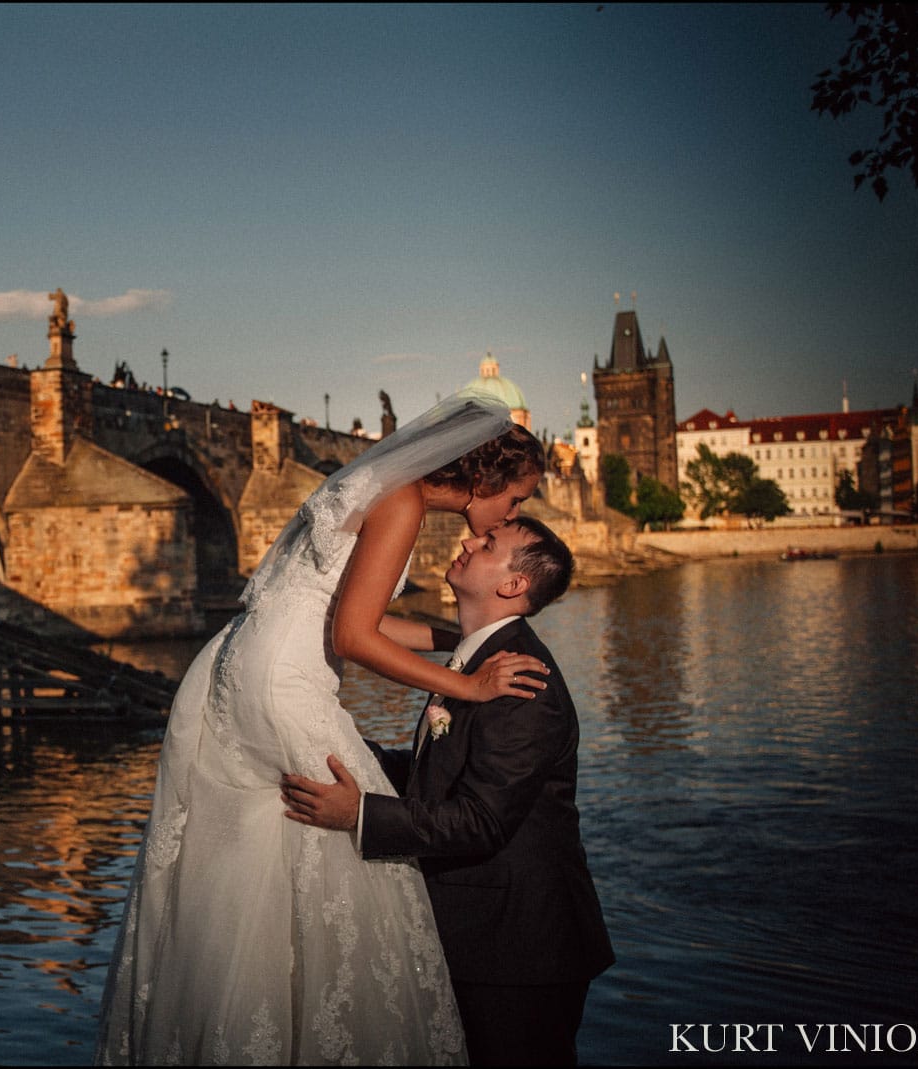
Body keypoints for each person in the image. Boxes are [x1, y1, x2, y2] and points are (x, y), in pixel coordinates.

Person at [95, 390, 548, 1065]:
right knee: (360, 849)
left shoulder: (378, 484)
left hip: (234, 665)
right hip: (288, 680)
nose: (512, 513)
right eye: (514, 499)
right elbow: (355, 636)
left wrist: (462, 637)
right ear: (482, 477)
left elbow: (348, 613)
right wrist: (468, 682)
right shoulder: (403, 504)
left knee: (261, 851)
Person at [281, 516, 614, 1066]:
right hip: (485, 938)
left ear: (512, 586)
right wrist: (336, 745)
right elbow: (440, 778)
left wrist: (358, 814)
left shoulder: (522, 680)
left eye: (487, 546)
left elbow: (482, 820)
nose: (467, 541)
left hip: (517, 951)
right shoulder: (481, 660)